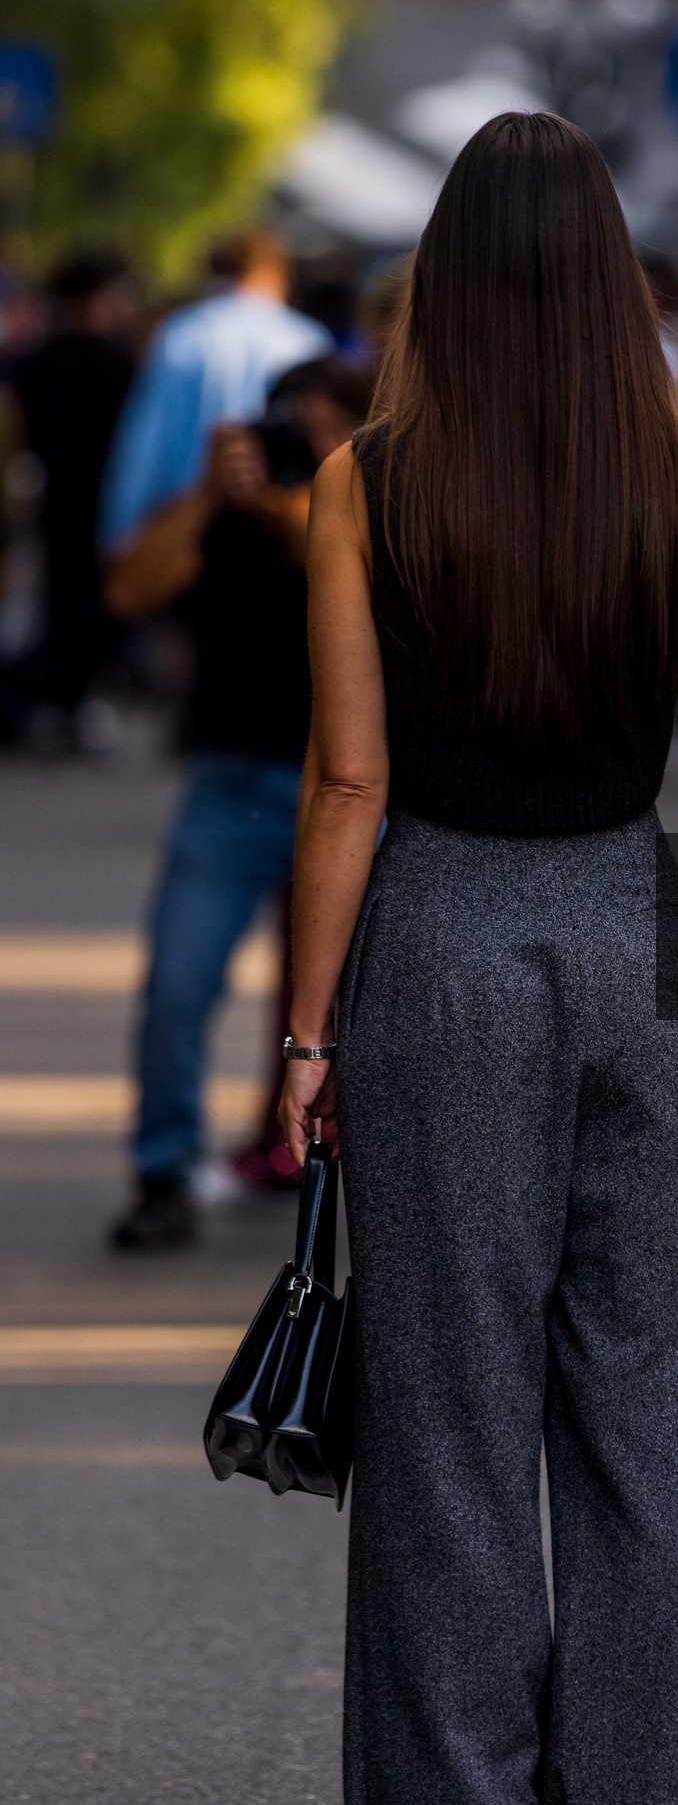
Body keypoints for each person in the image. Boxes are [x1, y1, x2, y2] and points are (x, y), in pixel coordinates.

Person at [276, 111, 678, 1805]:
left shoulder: (370, 483)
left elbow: (351, 777)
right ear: (618, 282)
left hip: (438, 937)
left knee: (450, 1429)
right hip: (637, 924)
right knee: (658, 1418)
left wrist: (305, 1030)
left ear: (437, 276)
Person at [104, 358, 373, 1250]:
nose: (309, 445)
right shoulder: (229, 508)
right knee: (179, 987)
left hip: (343, 787)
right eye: (295, 428)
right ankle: (161, 1173)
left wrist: (280, 495)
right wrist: (210, 491)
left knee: (347, 1004)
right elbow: (132, 586)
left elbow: (320, 542)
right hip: (231, 781)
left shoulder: (364, 499)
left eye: (328, 427)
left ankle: (340, 1172)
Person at [99, 228, 330, 553]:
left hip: (189, 530)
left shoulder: (183, 333)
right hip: (284, 530)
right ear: (278, 273)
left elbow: (147, 444)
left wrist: (120, 535)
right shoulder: (308, 341)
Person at [10, 249, 139, 731]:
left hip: (59, 495)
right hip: (108, 498)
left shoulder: (40, 356)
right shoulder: (122, 358)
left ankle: (55, 695)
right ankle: (86, 694)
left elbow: (26, 425)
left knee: (60, 595)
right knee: (99, 599)